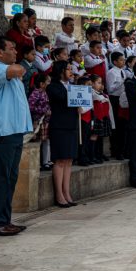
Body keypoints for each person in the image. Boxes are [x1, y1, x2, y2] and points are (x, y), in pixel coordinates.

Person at [0, 36, 33, 236]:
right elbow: (18, 70)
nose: (15, 52)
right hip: (0, 132)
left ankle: (5, 220)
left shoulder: (6, 69)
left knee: (9, 178)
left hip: (13, 131)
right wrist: (21, 66)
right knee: (0, 178)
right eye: (12, 48)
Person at [46, 60, 78, 208]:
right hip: (59, 126)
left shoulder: (71, 86)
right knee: (60, 160)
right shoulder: (53, 86)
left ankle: (67, 192)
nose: (71, 72)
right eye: (68, 69)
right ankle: (59, 194)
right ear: (60, 71)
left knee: (69, 160)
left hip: (71, 125)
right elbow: (62, 98)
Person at [107, 52, 128, 160]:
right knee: (116, 125)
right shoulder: (111, 72)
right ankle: (115, 150)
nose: (123, 62)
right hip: (114, 99)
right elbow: (110, 89)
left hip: (123, 99)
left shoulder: (123, 71)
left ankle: (123, 150)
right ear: (115, 61)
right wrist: (121, 82)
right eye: (121, 60)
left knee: (123, 126)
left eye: (124, 60)